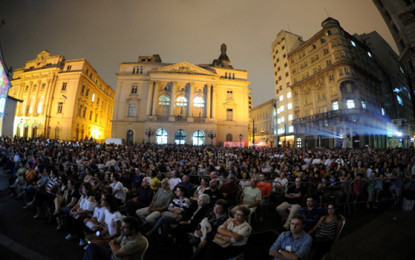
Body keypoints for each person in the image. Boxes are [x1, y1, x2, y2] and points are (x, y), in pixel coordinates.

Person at [83, 216, 147, 260]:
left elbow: (117, 253)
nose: (121, 229)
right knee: (91, 246)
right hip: (113, 254)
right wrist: (115, 246)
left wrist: (115, 247)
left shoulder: (137, 242)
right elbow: (114, 242)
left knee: (92, 255)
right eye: (122, 226)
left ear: (133, 230)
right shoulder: (126, 233)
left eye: (124, 227)